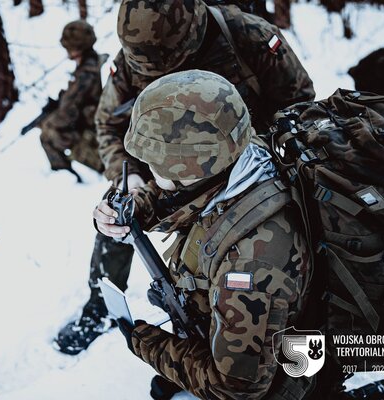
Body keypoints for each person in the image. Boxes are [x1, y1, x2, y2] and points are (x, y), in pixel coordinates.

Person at [54, 0, 315, 356]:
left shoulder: (249, 37)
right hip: (160, 165)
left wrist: (255, 161)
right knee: (117, 215)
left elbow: (299, 108)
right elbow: (108, 123)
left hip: (245, 167)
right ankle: (100, 307)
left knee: (242, 258)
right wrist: (125, 177)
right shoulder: (137, 52)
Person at [94, 70, 311, 400]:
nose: (148, 171)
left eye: (155, 164)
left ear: (190, 169)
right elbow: (178, 196)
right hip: (240, 328)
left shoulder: (249, 264)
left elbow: (235, 387)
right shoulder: (240, 154)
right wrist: (125, 209)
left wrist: (145, 342)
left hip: (291, 364)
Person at [39, 20, 104, 183]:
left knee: (47, 134)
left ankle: (63, 178)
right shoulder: (92, 62)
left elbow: (66, 115)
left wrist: (47, 121)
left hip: (91, 133)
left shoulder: (85, 74)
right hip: (91, 126)